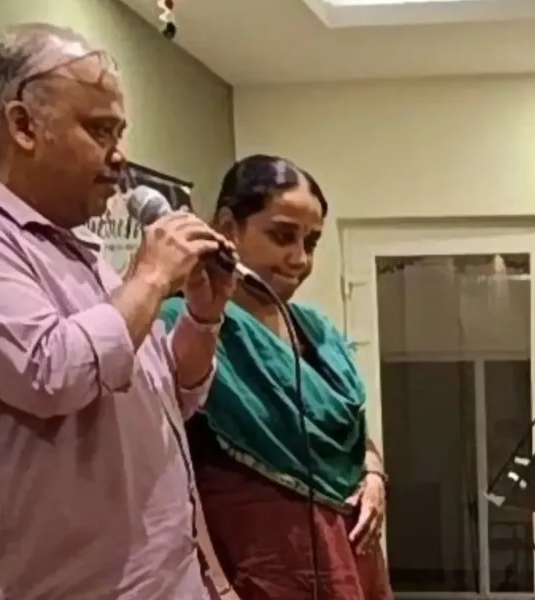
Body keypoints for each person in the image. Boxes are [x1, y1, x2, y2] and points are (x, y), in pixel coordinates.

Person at [0, 23, 237, 600]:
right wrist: (151, 276)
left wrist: (202, 319)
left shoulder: (87, 253)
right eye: (99, 129)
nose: (120, 156)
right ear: (23, 126)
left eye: (119, 132)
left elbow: (169, 397)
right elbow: (53, 376)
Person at [159, 155, 394, 600]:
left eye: (311, 242)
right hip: (261, 564)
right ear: (228, 227)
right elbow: (169, 473)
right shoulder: (185, 326)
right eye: (282, 236)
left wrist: (374, 473)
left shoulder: (315, 329)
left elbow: (352, 433)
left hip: (349, 556)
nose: (299, 258)